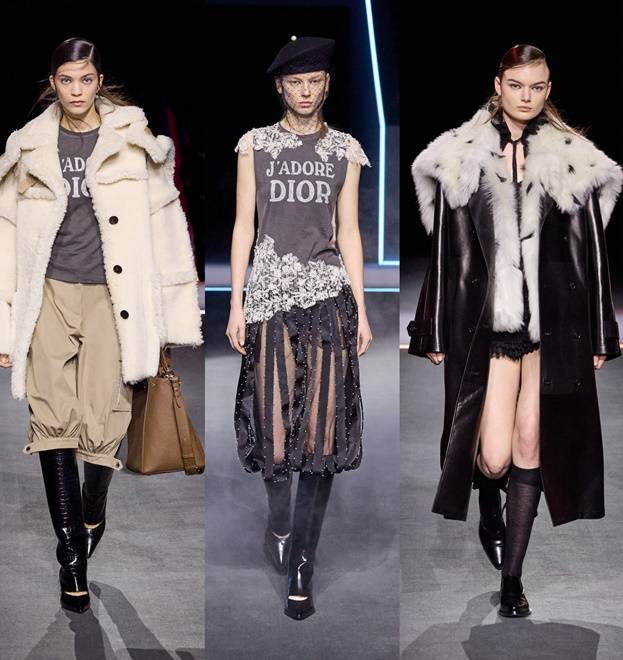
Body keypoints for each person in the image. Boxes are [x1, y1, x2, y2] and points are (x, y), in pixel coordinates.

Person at [0, 37, 202, 613]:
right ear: (53, 84)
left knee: (105, 422)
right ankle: (71, 556)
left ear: (99, 80)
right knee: (52, 421)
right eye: (66, 80)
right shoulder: (28, 146)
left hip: (113, 300)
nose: (76, 91)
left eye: (86, 79)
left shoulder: (133, 142)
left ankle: (93, 509)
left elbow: (165, 226)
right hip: (48, 296)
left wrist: (167, 316)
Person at [407, 44, 623, 617]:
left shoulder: (573, 159)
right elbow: (446, 251)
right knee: (495, 459)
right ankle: (489, 506)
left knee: (532, 447)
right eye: (517, 85)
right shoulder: (461, 156)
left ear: (548, 90)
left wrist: (601, 333)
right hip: (491, 326)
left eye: (538, 86)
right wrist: (431, 327)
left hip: (553, 327)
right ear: (498, 85)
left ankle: (512, 581)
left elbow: (593, 253)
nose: (527, 96)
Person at [226, 36, 373, 620]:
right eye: (295, 83)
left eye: (315, 81)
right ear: (280, 87)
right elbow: (244, 225)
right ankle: (281, 522)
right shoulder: (255, 146)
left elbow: (349, 231)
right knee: (275, 432)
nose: (306, 91)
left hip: (328, 295)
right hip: (269, 298)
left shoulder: (346, 150)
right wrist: (235, 303)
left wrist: (362, 308)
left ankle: (304, 563)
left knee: (320, 435)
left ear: (327, 84)